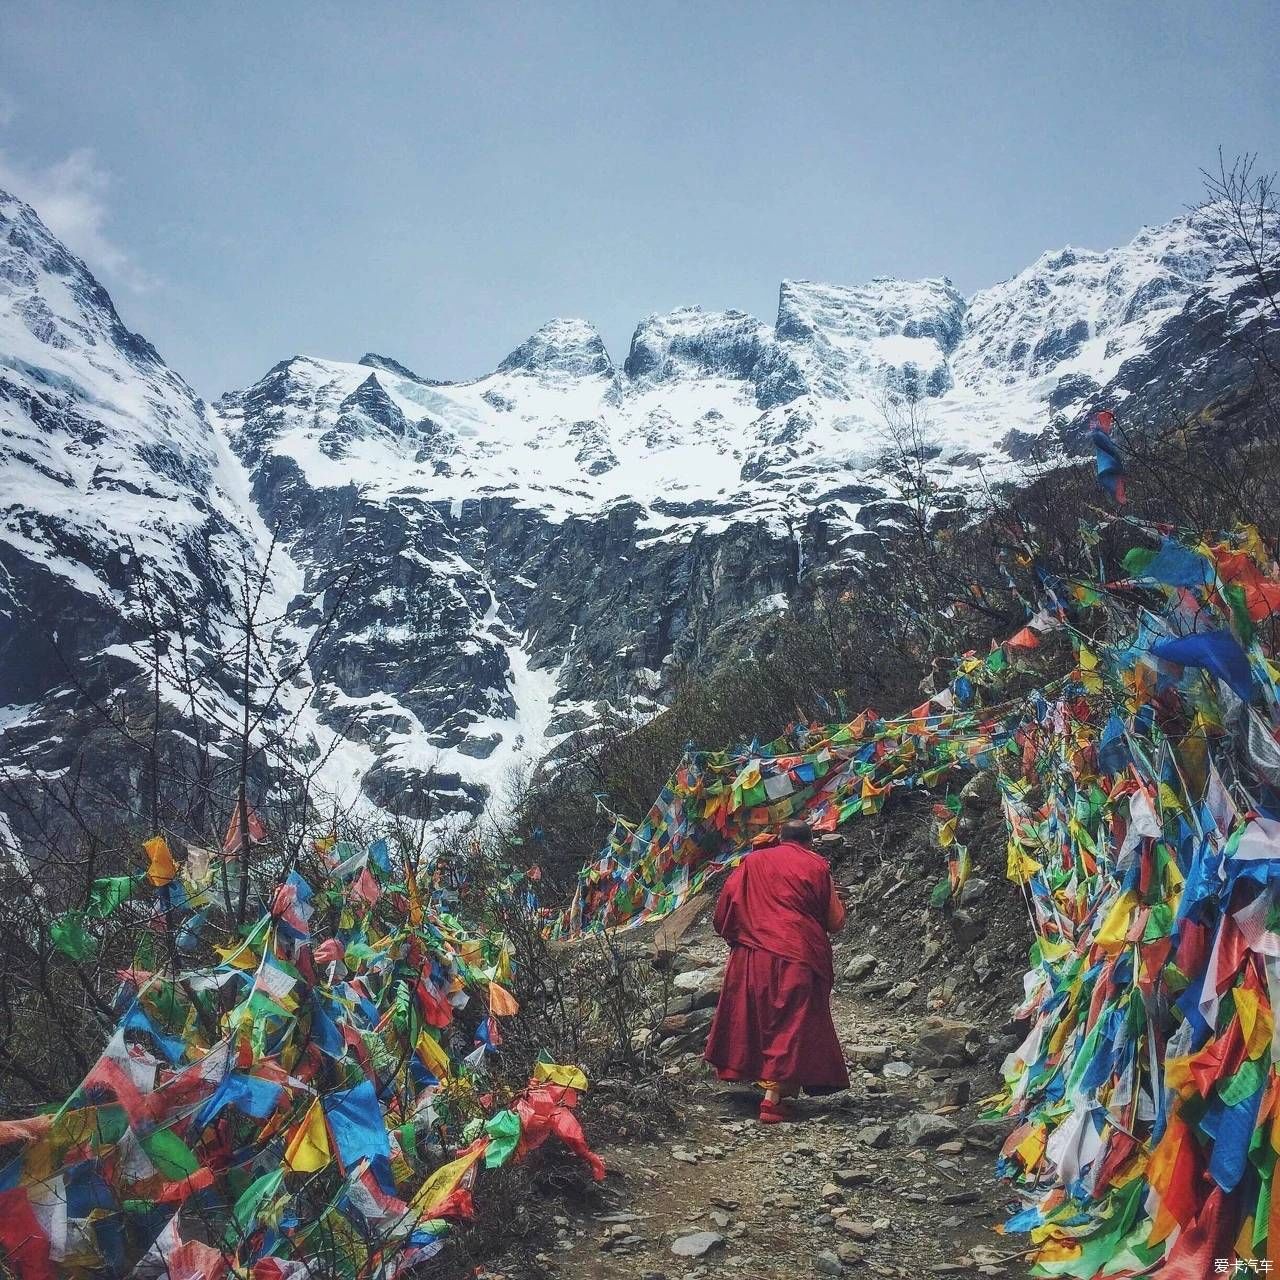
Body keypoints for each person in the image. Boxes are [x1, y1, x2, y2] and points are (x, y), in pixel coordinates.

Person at [703, 818, 848, 1123]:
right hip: (799, 953)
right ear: (809, 843)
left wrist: (745, 933)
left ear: (781, 839)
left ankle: (767, 1082)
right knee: (792, 1020)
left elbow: (724, 911)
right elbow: (835, 922)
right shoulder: (816, 865)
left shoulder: (752, 862)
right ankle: (772, 1099)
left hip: (753, 952)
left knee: (757, 1016)